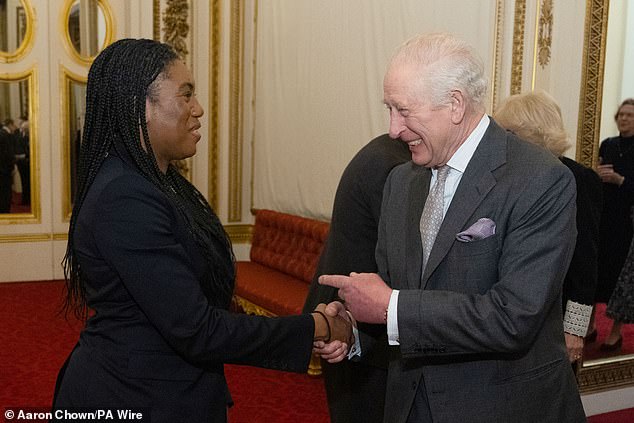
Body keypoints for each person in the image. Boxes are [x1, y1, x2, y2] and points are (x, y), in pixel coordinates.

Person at [53, 38, 351, 423]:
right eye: (186, 94)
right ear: (139, 106)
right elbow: (197, 329)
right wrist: (319, 326)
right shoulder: (124, 198)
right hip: (133, 395)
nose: (199, 109)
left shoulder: (156, 183)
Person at [319, 33, 585, 422]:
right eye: (389, 109)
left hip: (501, 408)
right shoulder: (400, 182)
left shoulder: (541, 179)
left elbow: (513, 317)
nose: (393, 129)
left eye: (403, 110)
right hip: (409, 405)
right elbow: (395, 293)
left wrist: (391, 306)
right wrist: (352, 329)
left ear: (455, 104)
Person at [303, 133, 410, 423]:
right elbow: (407, 266)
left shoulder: (389, 153)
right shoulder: (394, 166)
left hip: (354, 321)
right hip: (356, 325)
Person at [493, 90, 603, 366]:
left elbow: (585, 259)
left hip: (554, 316)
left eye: (508, 131)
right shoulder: (503, 177)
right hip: (509, 313)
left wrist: (574, 330)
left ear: (535, 132)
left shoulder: (578, 178)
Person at [599, 98, 634, 351]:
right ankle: (588, 326)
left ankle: (615, 332)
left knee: (621, 277)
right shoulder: (608, 145)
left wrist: (620, 180)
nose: (624, 119)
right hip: (606, 214)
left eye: (629, 115)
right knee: (598, 270)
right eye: (621, 114)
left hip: (628, 220)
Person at [0, 119, 16, 213]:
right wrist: (12, 166)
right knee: (5, 194)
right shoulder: (5, 135)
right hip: (4, 171)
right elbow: (8, 154)